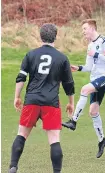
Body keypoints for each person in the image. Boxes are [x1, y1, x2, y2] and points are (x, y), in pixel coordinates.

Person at [8, 23, 75, 173]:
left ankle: (13, 166)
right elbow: (68, 84)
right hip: (51, 102)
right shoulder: (62, 58)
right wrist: (71, 102)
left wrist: (16, 97)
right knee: (54, 139)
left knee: (22, 134)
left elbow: (21, 78)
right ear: (55, 37)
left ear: (40, 36)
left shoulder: (30, 54)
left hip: (31, 100)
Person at [62, 19, 105, 158]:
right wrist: (78, 68)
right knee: (93, 111)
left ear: (92, 28)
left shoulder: (104, 41)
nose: (83, 32)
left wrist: (97, 54)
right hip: (96, 78)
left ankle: (73, 121)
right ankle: (102, 140)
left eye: (85, 29)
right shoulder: (90, 46)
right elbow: (88, 66)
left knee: (84, 90)